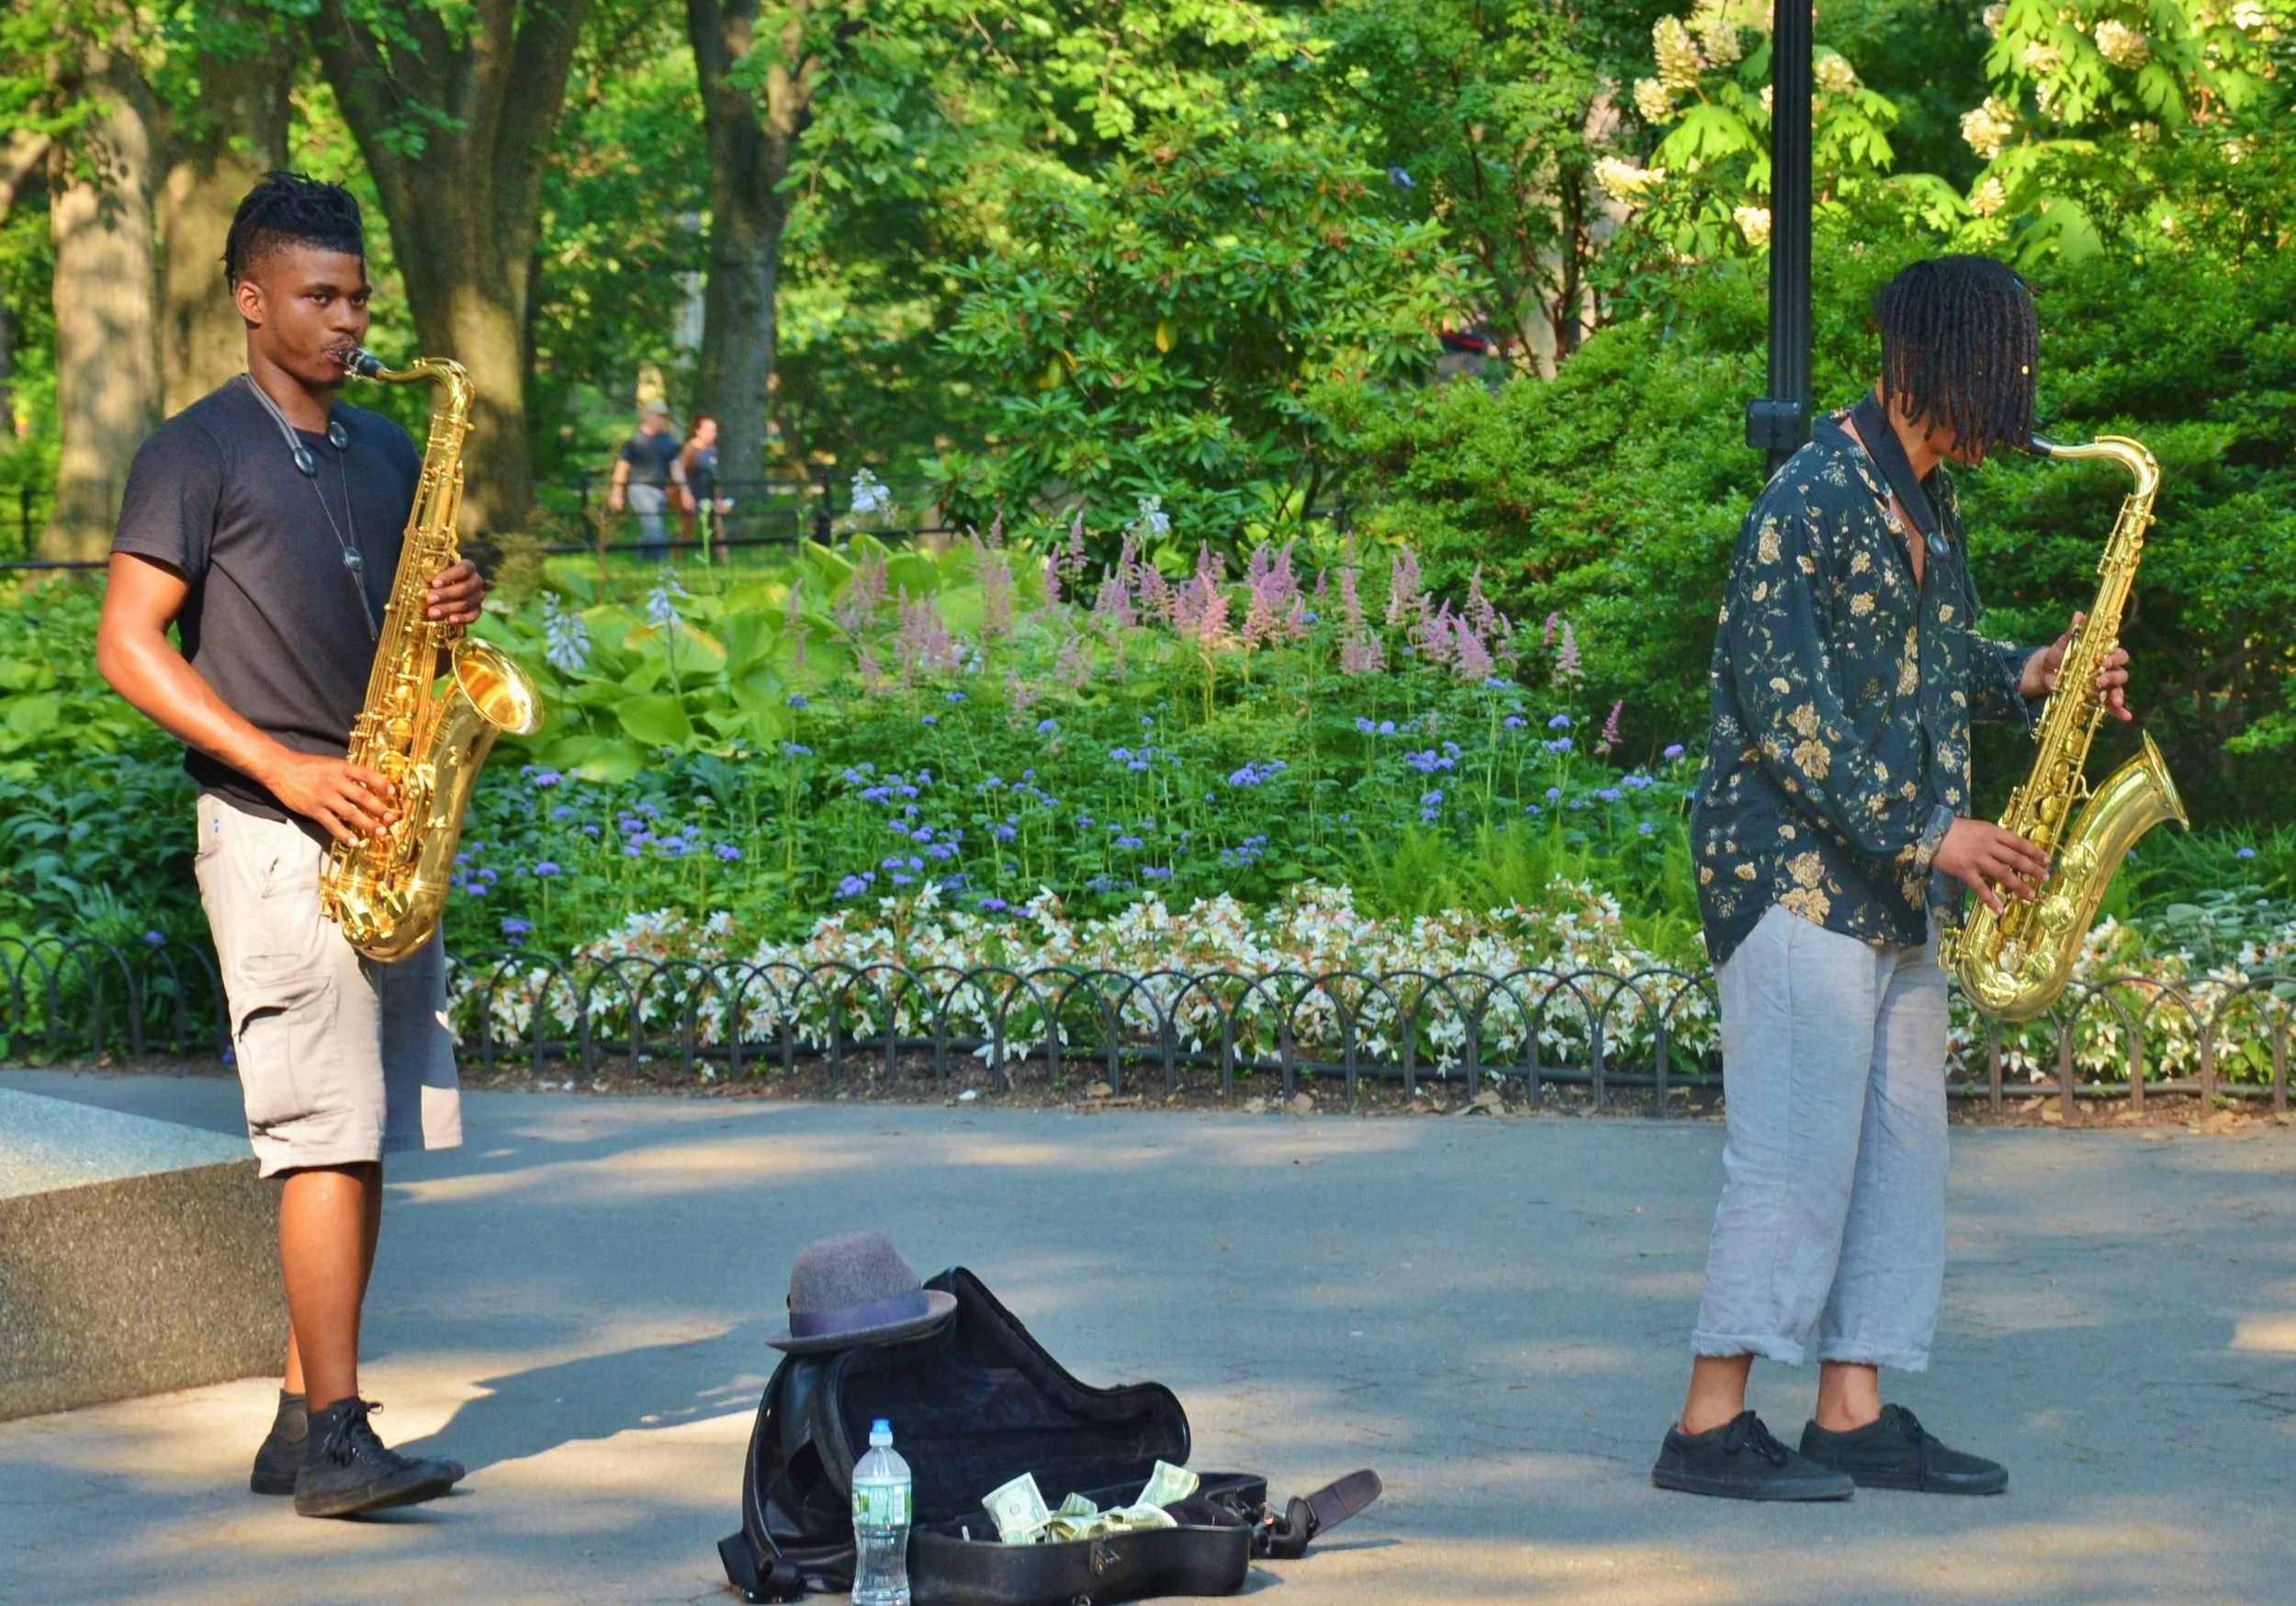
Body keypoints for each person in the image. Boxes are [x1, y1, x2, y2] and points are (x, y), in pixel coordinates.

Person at [1652, 255, 2134, 1501]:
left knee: (1899, 1153)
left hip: (1892, 886)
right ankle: (1708, 1424)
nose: (2014, 403)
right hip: (1794, 876)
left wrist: (2029, 669)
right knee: (1795, 1155)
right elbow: (1786, 708)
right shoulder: (1808, 497)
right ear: (1938, 364)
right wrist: (1937, 834)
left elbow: (1919, 662)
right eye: (1999, 372)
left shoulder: (1926, 502)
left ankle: (1851, 1409)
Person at [94, 172, 479, 1519]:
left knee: (359, 1134)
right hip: (272, 827)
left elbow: (410, 635)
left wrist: (453, 598)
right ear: (251, 301)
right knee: (321, 1134)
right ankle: (338, 1440)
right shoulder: (193, 449)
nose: (346, 319)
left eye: (358, 295)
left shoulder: (381, 446)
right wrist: (281, 768)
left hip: (385, 816)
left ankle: (295, 1416)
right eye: (317, 296)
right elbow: (127, 645)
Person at [609, 399, 684, 559]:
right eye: (659, 416)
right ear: (647, 416)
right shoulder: (635, 441)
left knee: (653, 527)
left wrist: (684, 489)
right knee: (654, 525)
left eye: (664, 416)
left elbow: (675, 465)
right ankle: (662, 562)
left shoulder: (667, 440)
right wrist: (617, 492)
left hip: (660, 489)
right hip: (640, 488)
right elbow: (622, 467)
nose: (662, 420)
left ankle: (641, 554)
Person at [678, 413, 728, 561]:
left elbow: (714, 474)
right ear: (698, 431)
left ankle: (723, 560)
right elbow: (682, 470)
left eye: (714, 431)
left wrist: (719, 497)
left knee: (717, 526)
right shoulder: (690, 449)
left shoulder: (712, 450)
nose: (712, 434)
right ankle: (677, 558)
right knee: (687, 528)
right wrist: (685, 493)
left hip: (709, 492)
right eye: (708, 430)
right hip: (693, 492)